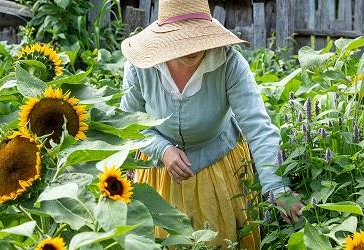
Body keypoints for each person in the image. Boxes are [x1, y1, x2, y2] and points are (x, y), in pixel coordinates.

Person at [119, 0, 304, 248]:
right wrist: (161, 149)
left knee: (220, 240)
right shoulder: (141, 68)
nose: (191, 48)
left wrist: (276, 189)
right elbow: (128, 124)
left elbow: (258, 128)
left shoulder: (229, 64)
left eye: (196, 38)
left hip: (219, 172)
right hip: (160, 177)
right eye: (181, 39)